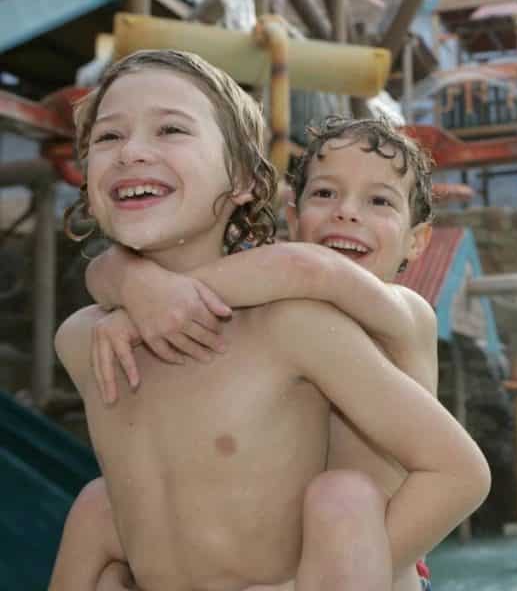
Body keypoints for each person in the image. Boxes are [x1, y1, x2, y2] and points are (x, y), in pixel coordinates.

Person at [49, 52, 490, 591]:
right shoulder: (82, 341)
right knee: (95, 504)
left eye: (170, 129)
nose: (133, 151)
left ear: (244, 180)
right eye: (108, 138)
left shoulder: (302, 325)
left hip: (361, 568)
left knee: (344, 499)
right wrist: (133, 285)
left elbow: (459, 472)